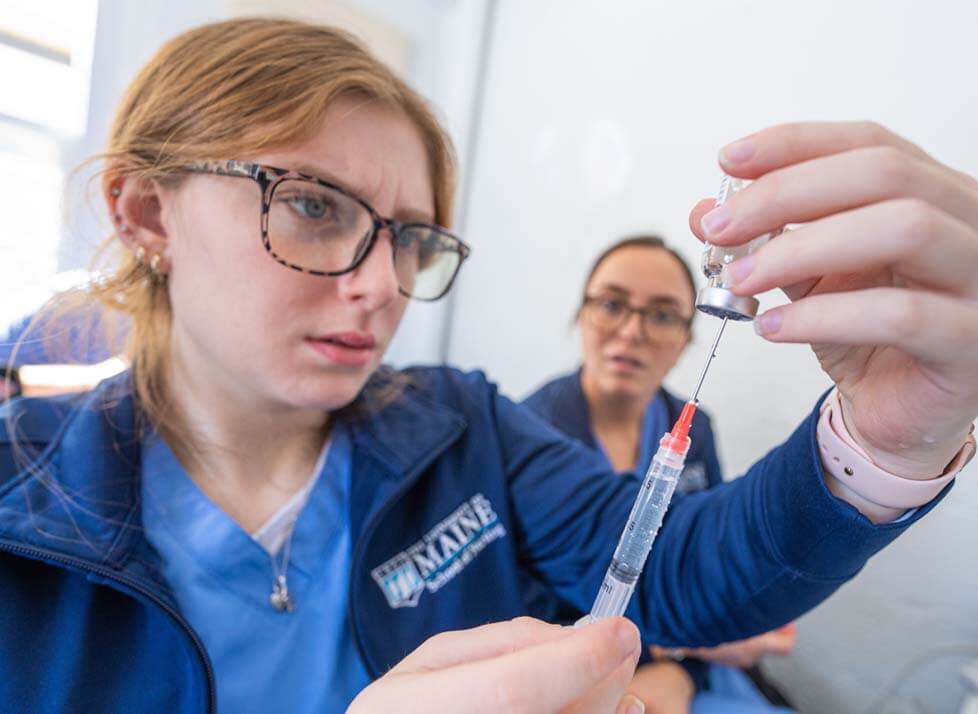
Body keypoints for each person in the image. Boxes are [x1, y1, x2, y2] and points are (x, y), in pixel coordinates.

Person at [0, 16, 975, 714]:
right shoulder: (22, 505)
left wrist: (886, 434)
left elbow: (679, 573)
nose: (382, 283)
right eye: (312, 204)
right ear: (144, 214)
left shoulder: (461, 426)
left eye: (412, 236)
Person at [523, 235, 797, 713]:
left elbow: (714, 559)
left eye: (663, 315)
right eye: (611, 304)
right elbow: (525, 604)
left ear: (688, 338)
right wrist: (683, 649)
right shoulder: (528, 435)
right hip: (568, 679)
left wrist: (686, 667)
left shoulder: (697, 429)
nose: (631, 332)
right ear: (581, 314)